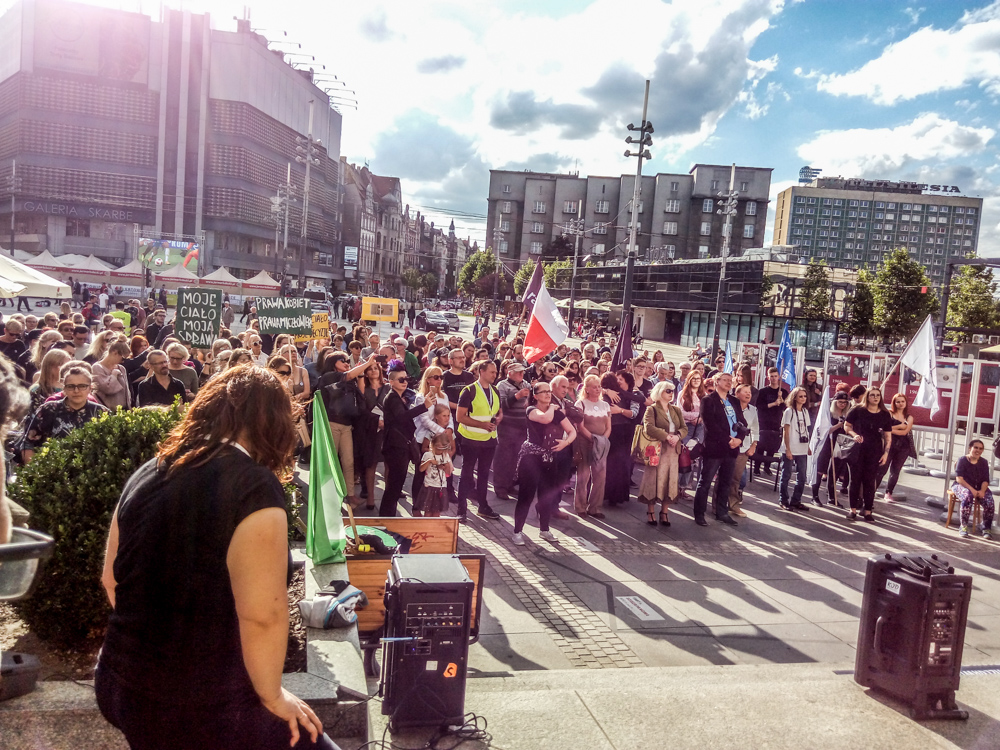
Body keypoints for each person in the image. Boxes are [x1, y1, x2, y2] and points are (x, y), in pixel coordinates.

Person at [96, 365, 337, 750]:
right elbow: (262, 615)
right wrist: (273, 696)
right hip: (201, 702)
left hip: (121, 681)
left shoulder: (151, 469)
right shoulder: (254, 487)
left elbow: (112, 580)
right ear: (275, 423)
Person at [511, 380, 576, 545]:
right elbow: (546, 419)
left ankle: (545, 530)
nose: (548, 394)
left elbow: (572, 431)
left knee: (546, 496)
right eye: (544, 391)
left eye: (549, 391)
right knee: (526, 496)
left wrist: (565, 443)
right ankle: (517, 532)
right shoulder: (531, 410)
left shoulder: (556, 412)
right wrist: (553, 408)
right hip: (531, 458)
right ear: (536, 396)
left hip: (550, 457)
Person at [319, 352, 377, 508]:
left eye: (347, 360)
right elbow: (347, 375)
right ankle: (330, 497)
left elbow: (361, 396)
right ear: (332, 362)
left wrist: (360, 377)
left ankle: (351, 496)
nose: (346, 362)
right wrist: (368, 362)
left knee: (349, 461)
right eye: (342, 360)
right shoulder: (329, 376)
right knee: (331, 462)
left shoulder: (349, 379)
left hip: (347, 425)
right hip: (332, 423)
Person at [380, 362, 436, 517]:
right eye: (401, 380)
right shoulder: (392, 397)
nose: (405, 382)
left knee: (395, 486)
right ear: (391, 382)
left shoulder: (398, 397)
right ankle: (386, 519)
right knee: (394, 487)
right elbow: (401, 418)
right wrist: (423, 406)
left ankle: (387, 518)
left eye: (406, 379)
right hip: (395, 447)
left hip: (399, 446)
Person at [21, 363, 108, 463]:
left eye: (82, 386)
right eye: (71, 386)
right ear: (64, 388)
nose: (76, 391)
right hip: (52, 471)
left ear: (90, 388)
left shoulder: (101, 413)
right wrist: (34, 471)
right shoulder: (48, 409)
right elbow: (28, 444)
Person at [691, 371, 745, 527]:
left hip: (732, 448)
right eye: (725, 380)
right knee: (705, 481)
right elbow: (711, 425)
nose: (729, 383)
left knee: (726, 482)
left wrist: (739, 440)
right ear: (716, 382)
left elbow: (742, 422)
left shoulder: (734, 401)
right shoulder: (708, 400)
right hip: (715, 448)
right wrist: (729, 440)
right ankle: (699, 514)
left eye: (731, 380)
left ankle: (722, 512)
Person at [455, 360, 502, 522]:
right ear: (481, 371)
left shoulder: (495, 391)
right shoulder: (469, 391)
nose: (495, 375)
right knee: (467, 474)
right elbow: (460, 417)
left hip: (489, 440)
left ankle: (483, 506)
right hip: (471, 439)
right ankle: (461, 509)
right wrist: (482, 424)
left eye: (496, 372)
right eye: (492, 372)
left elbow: (498, 411)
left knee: (483, 475)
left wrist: (498, 419)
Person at [637, 380, 687, 526]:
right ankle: (650, 511)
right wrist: (666, 436)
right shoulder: (651, 409)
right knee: (653, 479)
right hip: (657, 449)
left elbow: (684, 428)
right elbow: (649, 428)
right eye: (668, 391)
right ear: (660, 392)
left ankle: (664, 512)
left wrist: (677, 436)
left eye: (672, 390)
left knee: (670, 481)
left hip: (673, 451)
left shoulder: (676, 410)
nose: (671, 393)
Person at [843, 386, 893, 522]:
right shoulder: (858, 410)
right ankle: (852, 510)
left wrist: (886, 454)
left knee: (870, 481)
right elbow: (846, 426)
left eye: (878, 395)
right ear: (867, 396)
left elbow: (888, 436)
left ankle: (868, 511)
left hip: (875, 451)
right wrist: (854, 435)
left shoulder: (884, 414)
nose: (875, 397)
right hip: (858, 450)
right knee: (855, 480)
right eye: (872, 395)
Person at [573, 374, 611, 517]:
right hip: (585, 442)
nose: (598, 389)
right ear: (587, 389)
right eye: (594, 387)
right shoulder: (581, 404)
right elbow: (580, 426)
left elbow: (609, 427)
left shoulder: (605, 405)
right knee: (583, 475)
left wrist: (602, 440)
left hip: (601, 444)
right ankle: (580, 507)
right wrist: (592, 439)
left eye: (599, 386)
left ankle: (595, 508)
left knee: (600, 476)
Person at [602, 371, 642, 506]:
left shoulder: (634, 394)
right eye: (616, 379)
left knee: (618, 464)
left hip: (624, 431)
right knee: (614, 464)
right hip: (617, 431)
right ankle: (611, 495)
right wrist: (606, 390)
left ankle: (615, 495)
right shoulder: (608, 393)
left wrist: (620, 411)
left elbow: (635, 413)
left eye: (621, 379)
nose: (618, 381)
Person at [493, 362, 531, 502]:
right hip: (507, 427)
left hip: (522, 427)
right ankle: (500, 487)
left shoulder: (526, 384)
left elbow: (532, 402)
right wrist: (517, 396)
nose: (522, 375)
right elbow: (500, 406)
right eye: (518, 372)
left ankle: (509, 484)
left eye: (523, 372)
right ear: (510, 373)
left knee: (515, 458)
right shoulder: (502, 385)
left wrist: (529, 400)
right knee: (504, 458)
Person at [354, 360, 387, 508]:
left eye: (376, 368)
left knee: (388, 463)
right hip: (369, 430)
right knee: (370, 464)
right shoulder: (364, 388)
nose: (374, 371)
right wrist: (376, 421)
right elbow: (362, 409)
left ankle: (389, 495)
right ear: (366, 373)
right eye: (370, 369)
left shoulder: (387, 388)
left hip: (386, 430)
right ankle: (370, 499)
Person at [811, 391, 852, 507]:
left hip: (840, 444)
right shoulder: (828, 413)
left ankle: (832, 497)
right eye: (840, 402)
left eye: (845, 402)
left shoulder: (847, 413)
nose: (842, 404)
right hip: (827, 444)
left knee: (834, 471)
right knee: (820, 470)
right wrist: (839, 425)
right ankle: (815, 496)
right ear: (835, 402)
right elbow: (825, 431)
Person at [415, 406, 455, 517]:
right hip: (428, 486)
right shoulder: (429, 453)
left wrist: (446, 463)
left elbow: (449, 472)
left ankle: (434, 531)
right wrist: (431, 459)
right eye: (444, 416)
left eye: (448, 416)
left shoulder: (446, 453)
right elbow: (421, 467)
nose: (447, 418)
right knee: (427, 511)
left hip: (440, 486)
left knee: (437, 512)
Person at [725, 383, 758, 517]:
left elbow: (755, 429)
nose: (748, 394)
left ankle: (733, 505)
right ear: (737, 394)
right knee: (724, 477)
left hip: (744, 448)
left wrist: (753, 445)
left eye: (749, 392)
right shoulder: (730, 407)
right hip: (729, 445)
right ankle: (718, 505)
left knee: (736, 479)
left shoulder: (753, 410)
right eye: (744, 391)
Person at [778, 386, 812, 511]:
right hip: (790, 447)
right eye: (800, 396)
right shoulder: (789, 411)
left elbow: (806, 430)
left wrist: (808, 446)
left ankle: (796, 500)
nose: (803, 398)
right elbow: (786, 431)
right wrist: (787, 449)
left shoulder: (805, 411)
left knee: (802, 476)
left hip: (802, 447)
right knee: (786, 475)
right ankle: (783, 500)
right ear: (795, 397)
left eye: (805, 396)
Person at [878, 392, 915, 502]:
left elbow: (905, 432)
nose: (900, 403)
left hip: (903, 447)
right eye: (898, 401)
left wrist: (890, 430)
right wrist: (899, 426)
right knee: (881, 469)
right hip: (888, 445)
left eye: (902, 401)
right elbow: (883, 429)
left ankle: (889, 493)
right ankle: (871, 490)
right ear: (894, 403)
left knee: (895, 471)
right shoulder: (888, 413)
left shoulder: (909, 417)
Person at [952, 439, 993, 539]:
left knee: (989, 501)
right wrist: (972, 490)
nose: (978, 450)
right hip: (962, 485)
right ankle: (964, 526)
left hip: (979, 487)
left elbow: (985, 480)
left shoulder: (984, 462)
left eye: (981, 448)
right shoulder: (962, 460)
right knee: (968, 496)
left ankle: (986, 528)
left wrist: (982, 491)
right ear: (970, 448)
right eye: (976, 447)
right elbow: (959, 479)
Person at [754, 367, 787, 476]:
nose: (773, 378)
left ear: (779, 377)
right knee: (760, 446)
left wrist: (782, 401)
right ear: (768, 377)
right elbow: (759, 406)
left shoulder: (783, 392)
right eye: (771, 376)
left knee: (771, 447)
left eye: (775, 376)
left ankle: (767, 467)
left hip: (776, 422)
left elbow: (786, 407)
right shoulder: (763, 391)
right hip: (763, 422)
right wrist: (773, 403)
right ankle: (757, 467)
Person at [93, 338, 133, 411]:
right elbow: (107, 389)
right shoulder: (97, 368)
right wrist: (114, 375)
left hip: (122, 411)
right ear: (115, 353)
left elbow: (126, 392)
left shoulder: (121, 368)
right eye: (123, 359)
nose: (123, 362)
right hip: (105, 410)